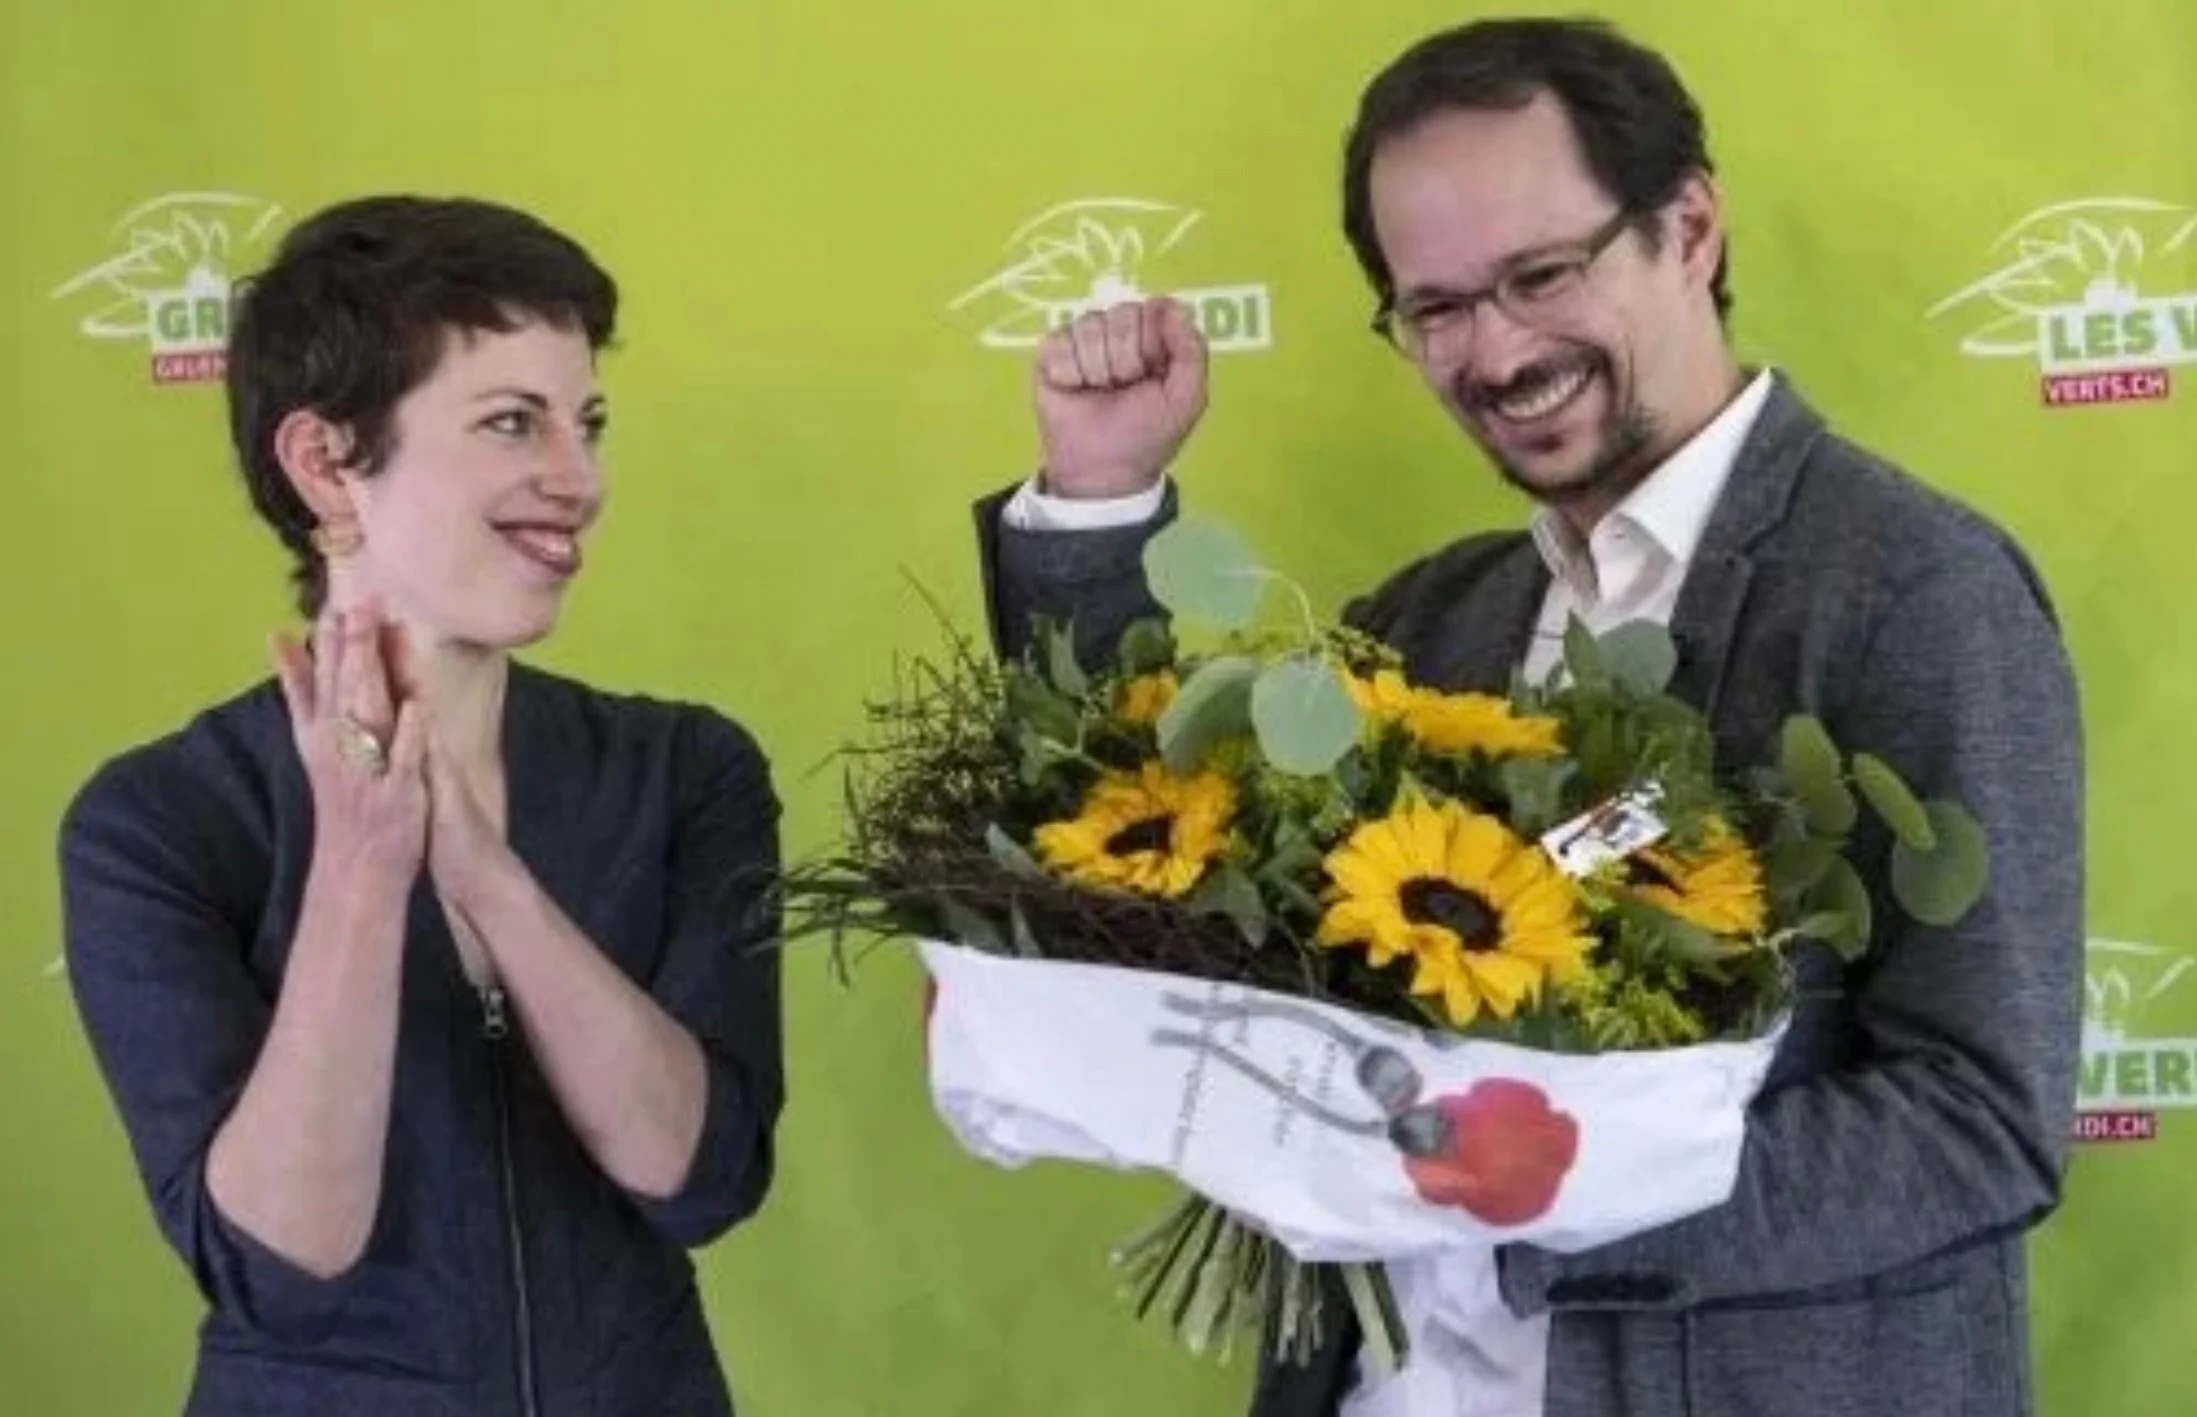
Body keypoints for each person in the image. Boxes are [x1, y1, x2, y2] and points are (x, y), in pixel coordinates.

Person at [972, 16, 2082, 1417]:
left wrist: (1547, 1193)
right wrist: (1099, 492)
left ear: (1688, 229)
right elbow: (1126, 864)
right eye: (1436, 309)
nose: (1495, 351)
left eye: (1541, 276)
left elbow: (1978, 1119)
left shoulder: (1911, 592)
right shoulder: (1425, 625)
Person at [59, 195, 784, 1417]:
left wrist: (489, 878)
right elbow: (281, 1268)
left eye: (587, 423)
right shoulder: (157, 824)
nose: (580, 480)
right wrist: (359, 863)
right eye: (511, 421)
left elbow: (699, 1177)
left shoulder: (684, 770)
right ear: (324, 462)